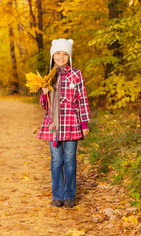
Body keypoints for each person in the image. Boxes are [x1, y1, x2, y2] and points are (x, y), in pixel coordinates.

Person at [37, 38, 90, 208]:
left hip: (72, 122)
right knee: (56, 161)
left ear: (69, 56)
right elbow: (44, 105)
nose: (61, 57)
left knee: (70, 160)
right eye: (58, 53)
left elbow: (82, 99)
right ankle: (57, 195)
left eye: (65, 54)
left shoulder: (76, 74)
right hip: (54, 124)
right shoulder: (48, 76)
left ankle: (69, 195)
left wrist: (84, 124)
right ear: (52, 56)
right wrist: (44, 93)